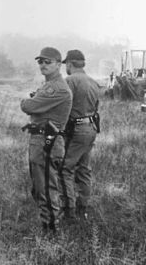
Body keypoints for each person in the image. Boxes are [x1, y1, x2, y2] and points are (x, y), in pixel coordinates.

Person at [20, 47, 73, 235]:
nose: (43, 65)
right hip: (41, 139)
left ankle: (52, 233)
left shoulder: (56, 87)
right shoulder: (49, 85)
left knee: (46, 189)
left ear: (59, 64)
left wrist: (27, 102)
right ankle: (49, 227)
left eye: (47, 62)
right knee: (39, 187)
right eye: (40, 61)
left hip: (46, 141)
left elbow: (29, 106)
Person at [60, 49, 100, 221]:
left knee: (65, 168)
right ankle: (82, 209)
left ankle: (69, 211)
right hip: (91, 128)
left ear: (69, 64)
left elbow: (62, 106)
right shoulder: (93, 82)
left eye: (66, 64)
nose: (65, 68)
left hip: (77, 130)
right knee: (84, 170)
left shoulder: (70, 81)